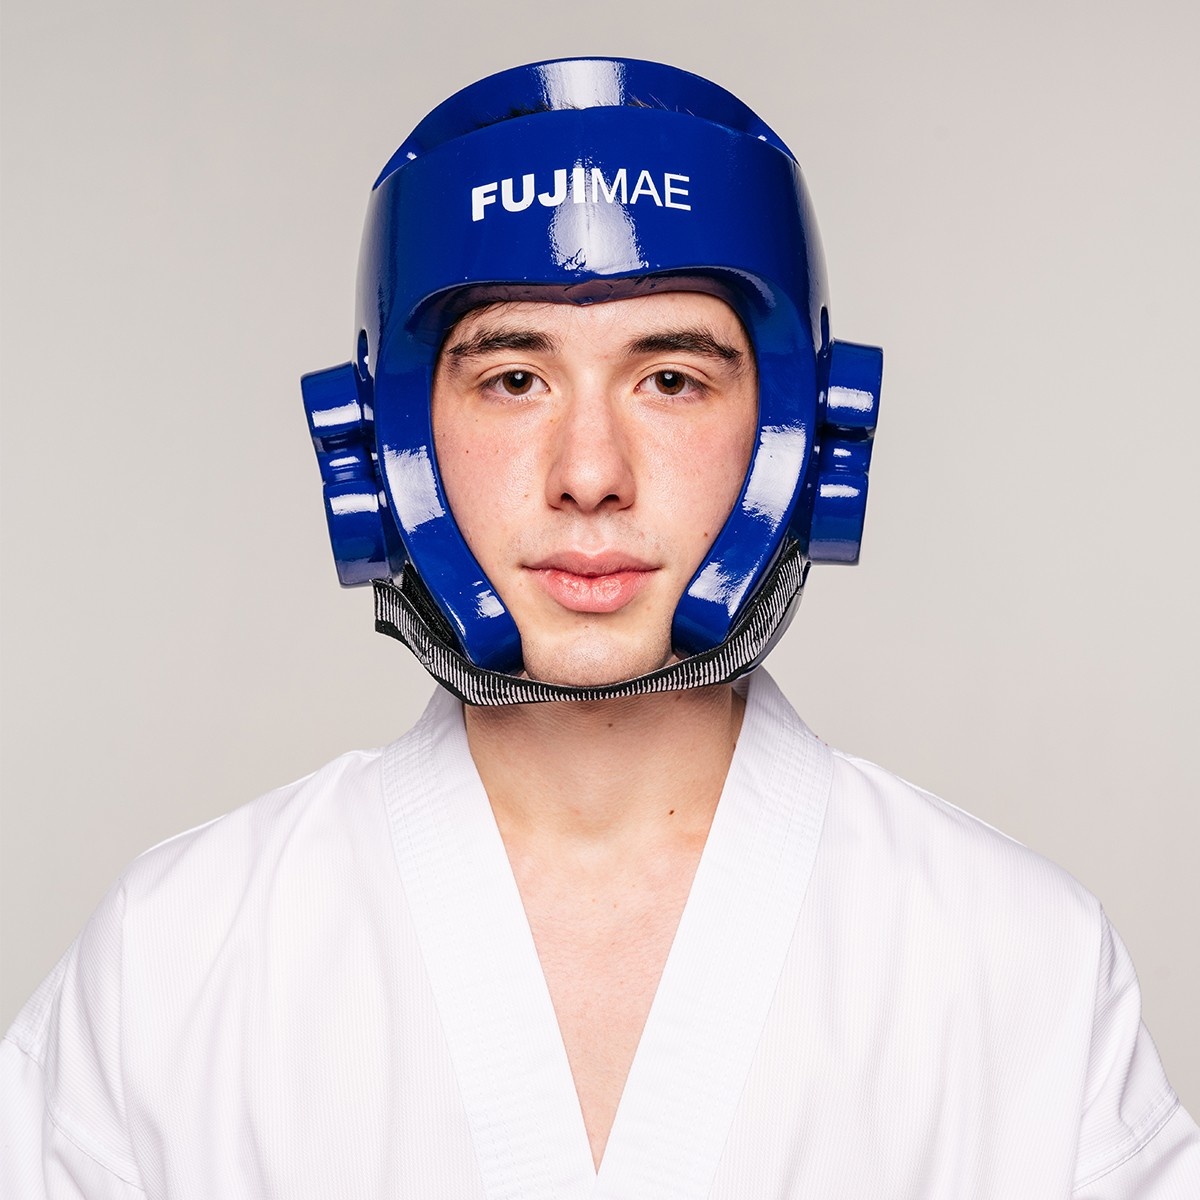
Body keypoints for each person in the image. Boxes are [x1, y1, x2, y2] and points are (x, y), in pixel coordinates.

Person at [2, 56, 1197, 1199]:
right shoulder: (175, 958)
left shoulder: (1018, 962)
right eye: (512, 378)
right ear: (378, 450)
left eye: (671, 379)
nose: (589, 474)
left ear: (808, 434)